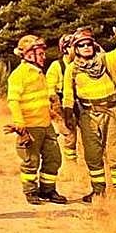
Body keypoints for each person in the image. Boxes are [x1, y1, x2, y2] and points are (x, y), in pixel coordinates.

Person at [60, 26, 116, 201]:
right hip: (88, 114)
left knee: (115, 152)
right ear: (76, 49)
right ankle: (98, 191)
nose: (86, 47)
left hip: (112, 111)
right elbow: (68, 95)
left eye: (88, 44)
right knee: (92, 154)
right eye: (81, 45)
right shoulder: (72, 69)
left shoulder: (104, 60)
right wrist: (67, 115)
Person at [7, 35, 68, 205]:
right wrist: (20, 123)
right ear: (28, 55)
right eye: (40, 53)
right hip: (30, 126)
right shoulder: (19, 75)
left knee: (54, 158)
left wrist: (52, 114)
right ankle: (31, 191)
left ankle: (48, 191)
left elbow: (39, 99)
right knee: (31, 161)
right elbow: (13, 101)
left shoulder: (39, 72)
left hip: (46, 125)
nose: (44, 56)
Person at [45, 34, 78, 162]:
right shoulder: (56, 66)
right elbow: (49, 87)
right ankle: (70, 163)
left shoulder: (80, 64)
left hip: (78, 102)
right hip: (61, 103)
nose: (76, 49)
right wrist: (56, 105)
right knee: (69, 134)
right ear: (65, 49)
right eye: (73, 47)